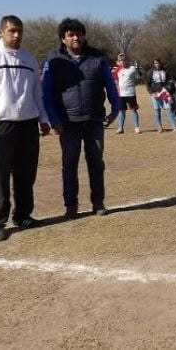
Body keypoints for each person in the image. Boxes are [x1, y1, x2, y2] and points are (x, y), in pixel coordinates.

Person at [0, 15, 50, 242]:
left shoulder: (29, 58)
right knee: (0, 177)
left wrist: (43, 118)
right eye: (12, 31)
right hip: (0, 125)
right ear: (1, 32)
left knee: (26, 175)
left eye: (19, 31)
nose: (16, 35)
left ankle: (23, 215)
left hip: (28, 124)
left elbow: (37, 93)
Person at [42, 17, 120, 219]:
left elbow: (110, 85)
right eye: (71, 35)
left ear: (84, 36)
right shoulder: (53, 60)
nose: (76, 38)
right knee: (69, 164)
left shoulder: (98, 57)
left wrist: (115, 108)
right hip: (67, 123)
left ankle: (98, 202)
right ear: (63, 38)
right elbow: (46, 92)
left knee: (96, 163)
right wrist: (53, 119)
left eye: (79, 34)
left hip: (94, 120)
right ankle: (71, 205)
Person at [146, 59, 176, 132]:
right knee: (157, 110)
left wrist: (168, 87)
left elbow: (170, 80)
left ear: (160, 63)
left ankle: (174, 127)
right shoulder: (150, 72)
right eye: (155, 63)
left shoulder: (165, 71)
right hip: (155, 93)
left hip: (164, 92)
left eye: (158, 63)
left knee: (169, 109)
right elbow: (148, 84)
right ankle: (160, 127)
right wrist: (152, 93)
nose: (157, 64)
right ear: (153, 64)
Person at [114, 53, 141, 134]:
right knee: (121, 111)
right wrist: (117, 90)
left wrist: (133, 85)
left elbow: (138, 78)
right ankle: (120, 128)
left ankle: (136, 127)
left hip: (131, 94)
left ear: (127, 61)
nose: (122, 62)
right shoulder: (117, 70)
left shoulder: (132, 69)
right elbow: (116, 81)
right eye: (120, 61)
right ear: (119, 62)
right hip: (121, 94)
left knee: (133, 110)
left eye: (124, 60)